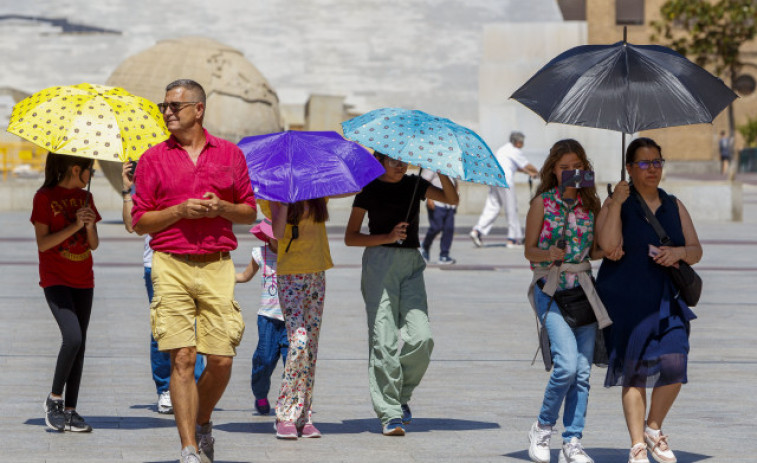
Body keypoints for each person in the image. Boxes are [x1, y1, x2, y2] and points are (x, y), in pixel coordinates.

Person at [131, 79, 256, 463]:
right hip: (170, 263)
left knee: (221, 360)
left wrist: (222, 207)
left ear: (198, 109)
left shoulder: (230, 155)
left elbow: (250, 211)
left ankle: (202, 421)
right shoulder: (153, 158)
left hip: (218, 264)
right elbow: (139, 222)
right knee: (182, 356)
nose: (167, 112)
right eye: (163, 106)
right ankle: (188, 449)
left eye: (174, 106)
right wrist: (178, 212)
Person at [595, 137, 702, 463]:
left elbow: (696, 251)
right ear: (629, 167)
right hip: (625, 299)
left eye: (657, 162)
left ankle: (653, 427)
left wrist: (677, 253)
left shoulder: (674, 205)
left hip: (666, 299)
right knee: (635, 373)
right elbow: (607, 244)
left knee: (675, 362)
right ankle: (637, 444)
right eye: (644, 163)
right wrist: (615, 201)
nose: (652, 168)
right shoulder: (618, 204)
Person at [344, 153, 459, 436]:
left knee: (422, 337)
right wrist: (386, 236)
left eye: (403, 160)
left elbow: (451, 199)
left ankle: (400, 394)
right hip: (379, 264)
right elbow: (350, 236)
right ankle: (390, 413)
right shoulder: (368, 188)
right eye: (393, 160)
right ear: (379, 160)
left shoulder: (415, 184)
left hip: (411, 264)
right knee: (383, 340)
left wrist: (442, 169)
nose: (400, 165)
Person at [524, 139, 617, 463]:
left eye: (577, 166)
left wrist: (609, 247)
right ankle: (542, 427)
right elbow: (529, 251)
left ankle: (572, 442)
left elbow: (592, 251)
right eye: (565, 167)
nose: (572, 172)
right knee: (565, 366)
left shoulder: (590, 205)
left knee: (581, 373)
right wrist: (547, 254)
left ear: (585, 169)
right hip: (550, 288)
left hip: (584, 291)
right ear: (553, 170)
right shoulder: (542, 203)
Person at [121, 161, 205, 415]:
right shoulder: (146, 184)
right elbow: (131, 226)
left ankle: (194, 383)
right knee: (163, 328)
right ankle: (166, 389)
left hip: (191, 259)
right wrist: (128, 190)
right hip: (157, 264)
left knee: (192, 325)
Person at [33, 152, 100, 433]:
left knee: (80, 344)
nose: (90, 176)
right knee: (71, 337)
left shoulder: (87, 199)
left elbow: (93, 244)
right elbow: (44, 243)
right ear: (76, 169)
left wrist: (88, 224)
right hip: (56, 278)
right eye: (90, 171)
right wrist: (74, 224)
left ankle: (71, 410)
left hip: (84, 278)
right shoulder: (44, 197)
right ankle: (55, 399)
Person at [267, 198, 332, 439]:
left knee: (311, 349)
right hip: (290, 274)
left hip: (316, 273)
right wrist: (284, 202)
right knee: (299, 341)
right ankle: (285, 414)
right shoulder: (273, 195)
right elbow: (276, 236)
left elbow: (353, 187)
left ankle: (304, 416)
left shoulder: (317, 192)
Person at [234, 218, 286, 417]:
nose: (278, 241)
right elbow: (245, 276)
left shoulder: (296, 255)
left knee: (292, 362)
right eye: (274, 238)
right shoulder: (261, 254)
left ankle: (289, 401)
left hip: (292, 317)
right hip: (267, 318)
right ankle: (261, 393)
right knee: (264, 359)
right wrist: (223, 277)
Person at [470, 131, 538, 248]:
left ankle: (477, 231)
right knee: (511, 209)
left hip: (495, 179)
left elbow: (515, 167)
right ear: (517, 142)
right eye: (522, 142)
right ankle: (513, 239)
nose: (523, 144)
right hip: (506, 182)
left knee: (492, 207)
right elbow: (527, 165)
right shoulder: (515, 151)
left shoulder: (503, 149)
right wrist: (538, 173)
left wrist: (529, 173)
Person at [420, 169, 458, 264]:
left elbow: (455, 183)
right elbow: (425, 181)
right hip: (437, 202)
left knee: (449, 229)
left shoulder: (452, 166)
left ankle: (444, 255)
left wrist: (456, 197)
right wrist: (429, 199)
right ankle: (425, 245)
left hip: (449, 204)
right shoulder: (433, 165)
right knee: (436, 227)